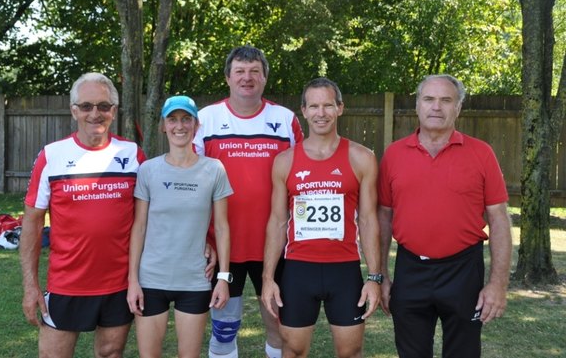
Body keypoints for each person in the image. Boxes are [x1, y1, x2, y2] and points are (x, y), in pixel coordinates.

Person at [377, 74, 512, 358]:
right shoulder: (394, 154)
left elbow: (499, 219)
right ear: (417, 105)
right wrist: (382, 276)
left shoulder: (482, 153)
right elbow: (383, 218)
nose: (436, 107)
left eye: (445, 100)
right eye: (429, 99)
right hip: (410, 269)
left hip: (464, 270)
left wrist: (498, 284)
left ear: (458, 107)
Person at [20, 72, 147, 358]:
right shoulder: (52, 156)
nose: (95, 113)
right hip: (67, 284)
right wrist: (31, 286)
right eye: (87, 106)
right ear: (74, 110)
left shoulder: (133, 154)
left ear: (113, 111)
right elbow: (32, 221)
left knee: (111, 353)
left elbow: (153, 214)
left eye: (103, 106)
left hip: (119, 283)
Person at [193, 45, 304, 358]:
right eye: (240, 71)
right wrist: (201, 238)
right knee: (224, 328)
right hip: (222, 245)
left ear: (265, 78)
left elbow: (302, 177)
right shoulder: (206, 119)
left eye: (255, 71)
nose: (247, 78)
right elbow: (193, 184)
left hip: (275, 244)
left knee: (278, 324)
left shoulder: (284, 119)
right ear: (228, 78)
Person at [261, 77, 382, 358]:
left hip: (345, 270)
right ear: (303, 111)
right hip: (298, 271)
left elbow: (368, 220)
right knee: (293, 349)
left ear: (340, 108)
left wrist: (374, 277)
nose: (321, 113)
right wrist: (268, 278)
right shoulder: (284, 161)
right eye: (314, 106)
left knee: (351, 351)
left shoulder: (362, 158)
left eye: (328, 105)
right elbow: (277, 221)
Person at [127, 95, 233, 357]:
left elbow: (221, 227)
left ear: (196, 125)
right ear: (163, 125)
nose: (179, 126)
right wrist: (133, 281)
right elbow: (139, 227)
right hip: (151, 278)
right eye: (172, 120)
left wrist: (223, 278)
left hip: (195, 280)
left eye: (186, 119)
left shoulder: (214, 169)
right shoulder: (148, 170)